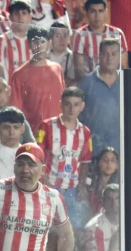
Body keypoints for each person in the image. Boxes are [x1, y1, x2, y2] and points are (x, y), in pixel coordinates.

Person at [37, 86, 93, 222]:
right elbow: (38, 155)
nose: (72, 109)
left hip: (72, 190)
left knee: (73, 228)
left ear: (82, 106)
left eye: (76, 105)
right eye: (67, 104)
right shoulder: (46, 126)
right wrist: (44, 180)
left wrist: (81, 186)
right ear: (61, 104)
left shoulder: (85, 132)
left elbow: (85, 161)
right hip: (49, 186)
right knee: (48, 226)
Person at [10, 26, 65, 134]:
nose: (39, 46)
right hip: (33, 132)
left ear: (49, 44)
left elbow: (63, 101)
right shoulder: (19, 74)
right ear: (29, 45)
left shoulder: (57, 68)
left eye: (43, 42)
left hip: (59, 130)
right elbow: (16, 109)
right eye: (35, 42)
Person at [78, 37, 120, 153]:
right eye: (105, 54)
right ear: (99, 56)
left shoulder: (125, 83)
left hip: (118, 149)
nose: (109, 58)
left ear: (119, 57)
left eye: (114, 54)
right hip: (91, 148)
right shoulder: (86, 83)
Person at [73, 0, 128, 74]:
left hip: (114, 83)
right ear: (87, 12)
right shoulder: (80, 34)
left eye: (100, 11)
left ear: (106, 12)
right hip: (89, 83)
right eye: (93, 11)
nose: (97, 16)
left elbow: (124, 67)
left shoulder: (117, 34)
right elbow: (79, 70)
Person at [0, 0, 35, 80]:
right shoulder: (1, 40)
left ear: (30, 16)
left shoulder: (35, 41)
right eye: (16, 14)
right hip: (10, 90)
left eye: (24, 13)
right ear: (10, 17)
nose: (20, 18)